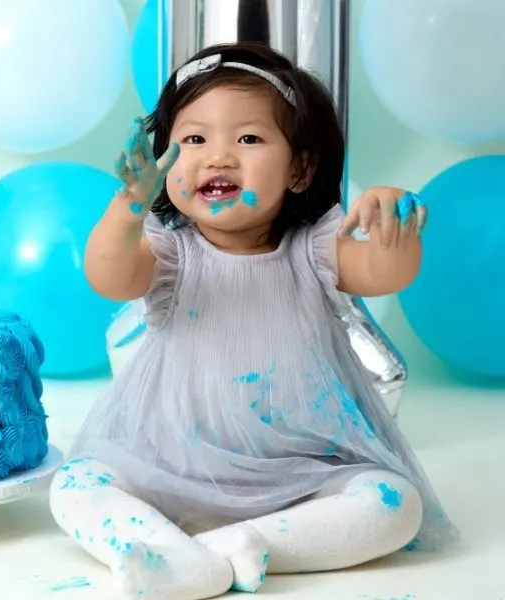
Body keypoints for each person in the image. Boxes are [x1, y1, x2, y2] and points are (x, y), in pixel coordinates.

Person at [49, 42, 459, 600]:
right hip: (169, 463)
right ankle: (169, 549)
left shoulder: (314, 249)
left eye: (248, 139)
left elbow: (381, 272)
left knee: (395, 504)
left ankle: (241, 544)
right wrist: (128, 206)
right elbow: (109, 276)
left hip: (299, 472)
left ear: (300, 169)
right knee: (74, 485)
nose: (218, 157)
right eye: (193, 139)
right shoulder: (171, 253)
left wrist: (393, 230)